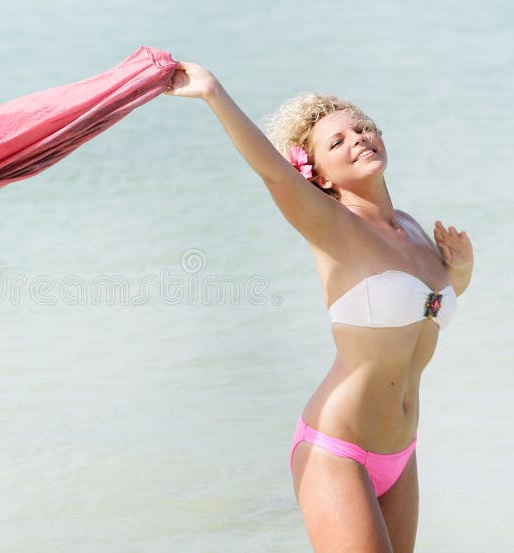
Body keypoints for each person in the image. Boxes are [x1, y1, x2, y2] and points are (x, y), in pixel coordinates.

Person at [164, 61, 474, 552]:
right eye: (337, 142)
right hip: (336, 452)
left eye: (362, 127)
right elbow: (274, 175)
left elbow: (421, 319)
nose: (358, 139)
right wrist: (213, 93)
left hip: (401, 451)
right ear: (321, 177)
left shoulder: (414, 229)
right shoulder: (333, 228)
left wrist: (459, 275)